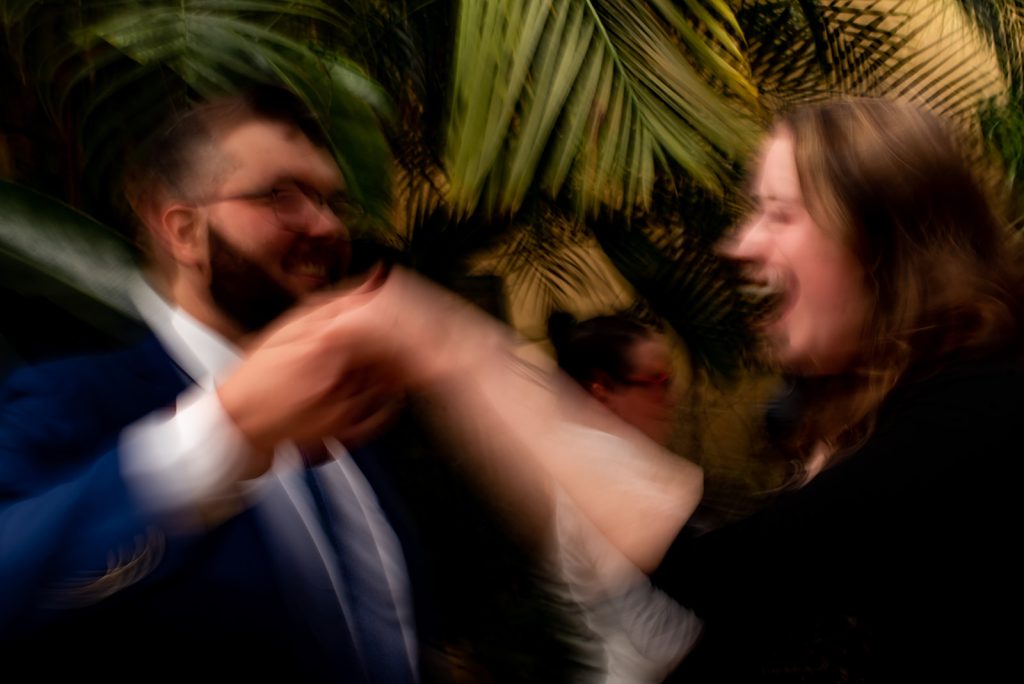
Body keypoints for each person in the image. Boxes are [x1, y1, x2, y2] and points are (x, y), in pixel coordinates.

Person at [0, 85, 435, 680]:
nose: (328, 226)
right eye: (283, 196)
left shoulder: (351, 415)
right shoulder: (75, 400)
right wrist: (222, 432)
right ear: (183, 231)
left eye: (334, 202)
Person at [646, 97, 1024, 681]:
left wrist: (488, 373)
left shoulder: (978, 405)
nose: (739, 245)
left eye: (779, 213)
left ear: (883, 241)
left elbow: (723, 581)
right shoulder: (858, 398)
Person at [546, 311, 701, 683]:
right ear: (603, 391)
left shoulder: (601, 461)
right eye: (658, 381)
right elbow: (654, 632)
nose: (672, 398)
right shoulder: (600, 475)